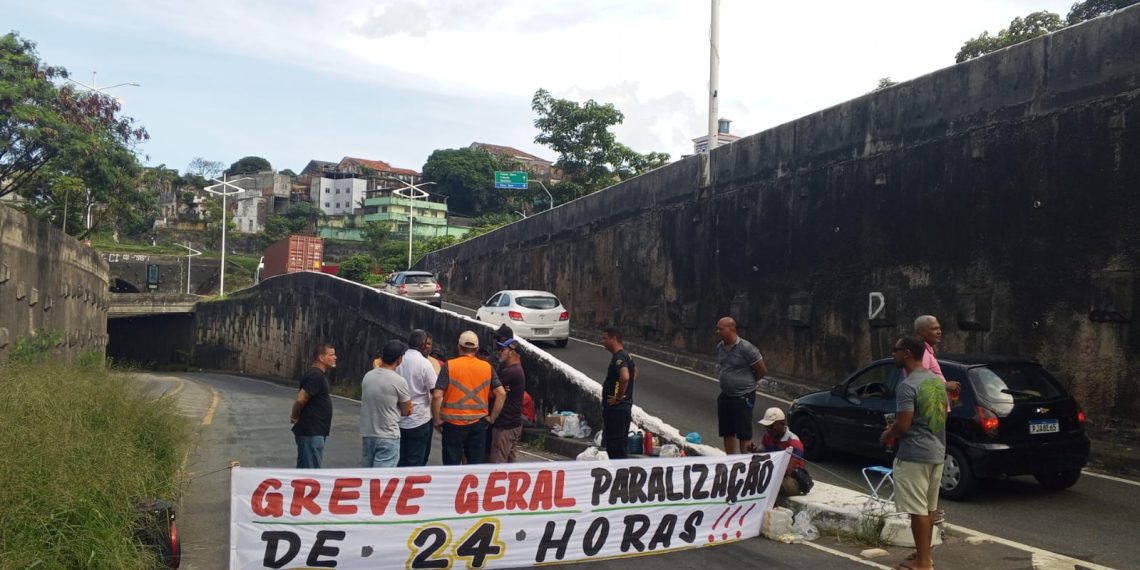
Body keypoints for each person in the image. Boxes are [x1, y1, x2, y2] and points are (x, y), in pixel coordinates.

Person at [880, 335, 949, 570]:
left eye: (895, 350)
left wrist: (888, 432)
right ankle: (924, 556)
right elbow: (942, 417)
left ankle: (923, 562)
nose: (893, 354)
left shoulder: (907, 385)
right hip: (936, 451)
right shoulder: (937, 381)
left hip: (914, 454)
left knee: (917, 511)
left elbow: (903, 425)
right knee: (928, 509)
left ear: (907, 352)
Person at [432, 331, 506, 465]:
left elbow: (437, 396)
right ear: (477, 349)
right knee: (474, 466)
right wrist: (491, 418)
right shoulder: (487, 367)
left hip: (452, 423)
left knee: (451, 465)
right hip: (478, 423)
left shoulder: (450, 366)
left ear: (459, 347)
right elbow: (501, 393)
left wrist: (437, 420)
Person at [715, 316, 767, 454]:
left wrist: (747, 383)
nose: (717, 331)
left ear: (731, 329)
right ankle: (730, 459)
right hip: (726, 395)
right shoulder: (720, 347)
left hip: (743, 396)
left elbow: (761, 369)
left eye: (720, 329)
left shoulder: (746, 348)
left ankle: (744, 462)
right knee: (727, 430)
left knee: (743, 432)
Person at [360, 339, 413, 468]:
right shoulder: (399, 381)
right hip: (388, 435)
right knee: (382, 481)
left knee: (368, 477)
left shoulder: (368, 376)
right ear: (399, 359)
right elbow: (407, 410)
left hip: (368, 433)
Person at [290, 344, 337, 468]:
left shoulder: (317, 375)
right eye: (331, 355)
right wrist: (294, 416)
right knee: (311, 472)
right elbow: (300, 400)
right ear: (321, 358)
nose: (335, 357)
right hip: (311, 432)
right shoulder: (315, 376)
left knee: (304, 470)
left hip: (314, 431)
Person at [396, 329, 437, 467]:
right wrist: (437, 417)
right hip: (419, 419)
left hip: (398, 417)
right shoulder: (424, 364)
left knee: (399, 458)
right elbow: (435, 392)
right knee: (415, 460)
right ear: (423, 344)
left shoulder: (399, 359)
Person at [749, 407, 809, 496]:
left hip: (792, 478)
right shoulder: (767, 437)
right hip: (772, 473)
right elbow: (763, 455)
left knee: (771, 484)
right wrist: (755, 451)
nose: (768, 429)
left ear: (782, 423)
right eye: (767, 426)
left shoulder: (794, 442)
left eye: (771, 426)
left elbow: (788, 471)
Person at [600, 326, 637, 459]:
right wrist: (626, 390)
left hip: (617, 409)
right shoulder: (627, 355)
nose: (602, 341)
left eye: (605, 338)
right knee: (620, 444)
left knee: (615, 446)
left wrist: (619, 397)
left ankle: (618, 474)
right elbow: (634, 372)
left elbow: (625, 376)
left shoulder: (619, 357)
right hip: (623, 408)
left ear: (614, 339)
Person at [489, 337, 526, 463]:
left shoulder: (510, 371)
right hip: (514, 424)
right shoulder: (517, 370)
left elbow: (490, 392)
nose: (500, 352)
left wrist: (491, 418)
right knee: (510, 466)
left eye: (503, 349)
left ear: (512, 352)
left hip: (505, 426)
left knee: (497, 465)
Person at [914, 315, 960, 402]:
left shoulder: (927, 350)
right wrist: (945, 386)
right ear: (921, 332)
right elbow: (917, 383)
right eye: (934, 329)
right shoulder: (922, 352)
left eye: (939, 328)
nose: (939, 332)